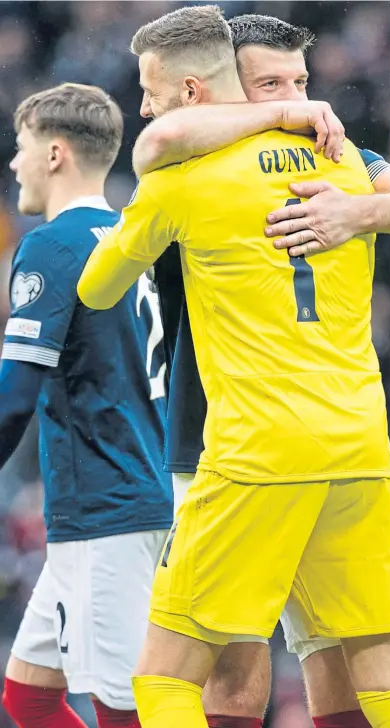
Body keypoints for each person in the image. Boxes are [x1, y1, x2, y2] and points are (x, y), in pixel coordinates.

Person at [78, 6, 390, 728]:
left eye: (303, 81)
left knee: (201, 674)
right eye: (274, 84)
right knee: (323, 679)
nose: (298, 99)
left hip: (248, 448)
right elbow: (167, 131)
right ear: (226, 90)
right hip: (335, 440)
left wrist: (359, 213)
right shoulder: (329, 157)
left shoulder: (222, 174)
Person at [0, 83, 173, 728]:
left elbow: (15, 395)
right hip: (127, 493)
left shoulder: (52, 246)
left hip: (106, 511)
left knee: (123, 712)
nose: (13, 164)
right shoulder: (136, 240)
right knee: (29, 697)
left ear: (53, 153)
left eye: (19, 149)